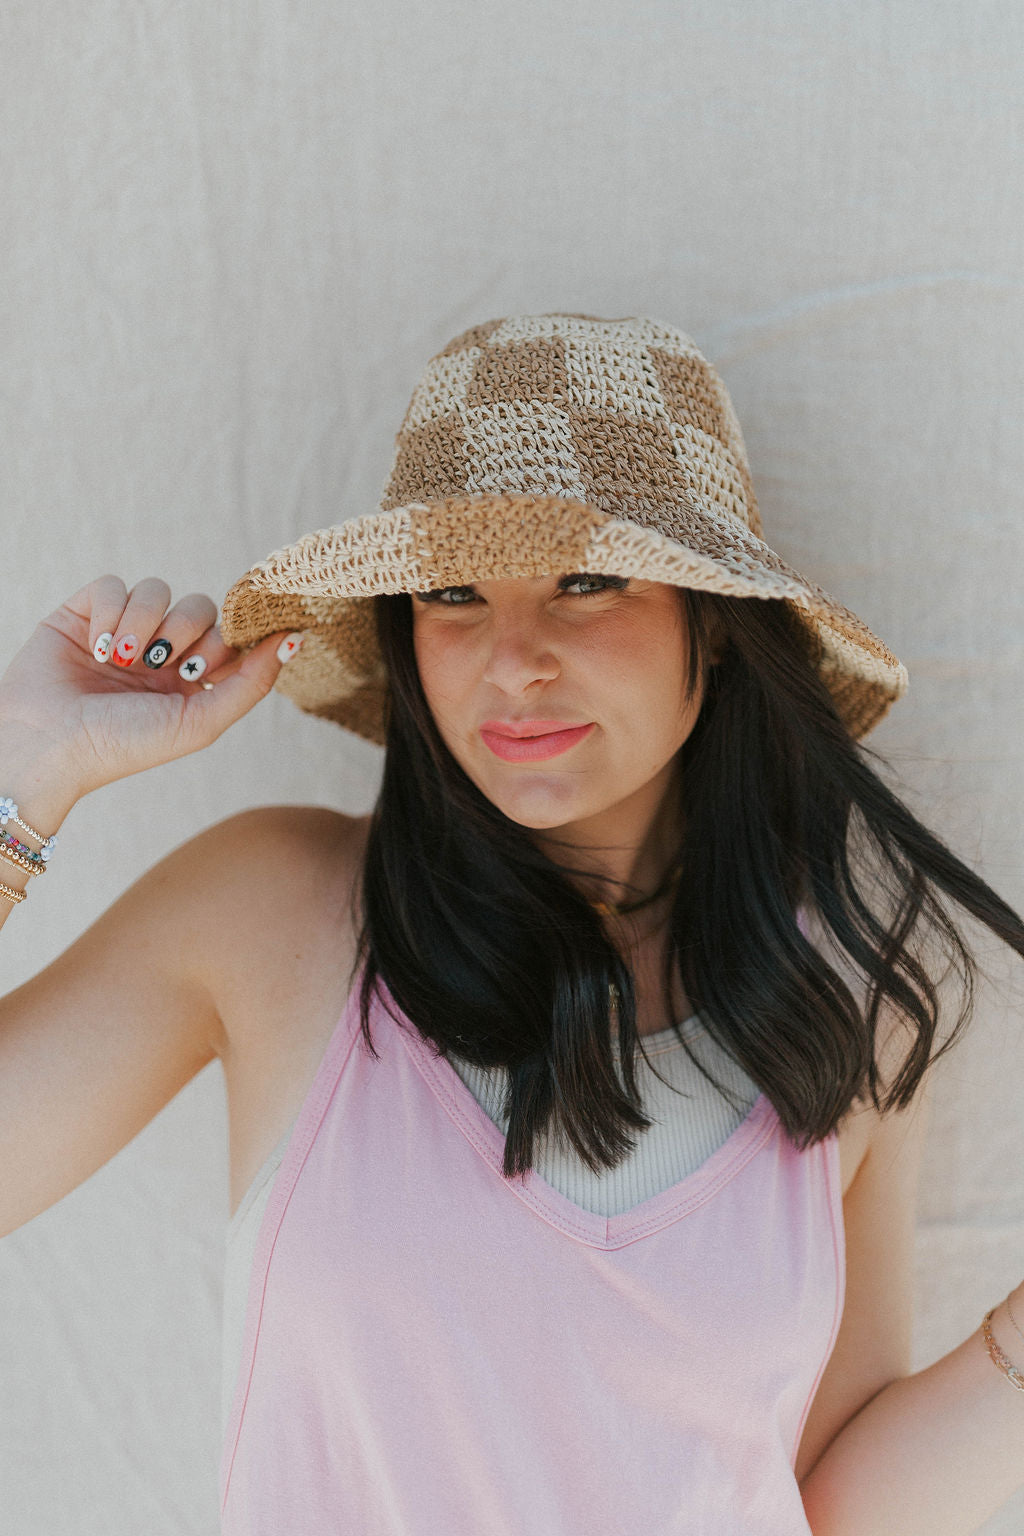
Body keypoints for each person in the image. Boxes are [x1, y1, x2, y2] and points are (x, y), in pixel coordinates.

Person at [1, 312, 1022, 1535]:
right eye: (453, 593)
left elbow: (830, 1507)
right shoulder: (278, 910)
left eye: (587, 581)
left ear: (715, 622)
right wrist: (25, 768)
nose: (513, 659)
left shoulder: (840, 1004)